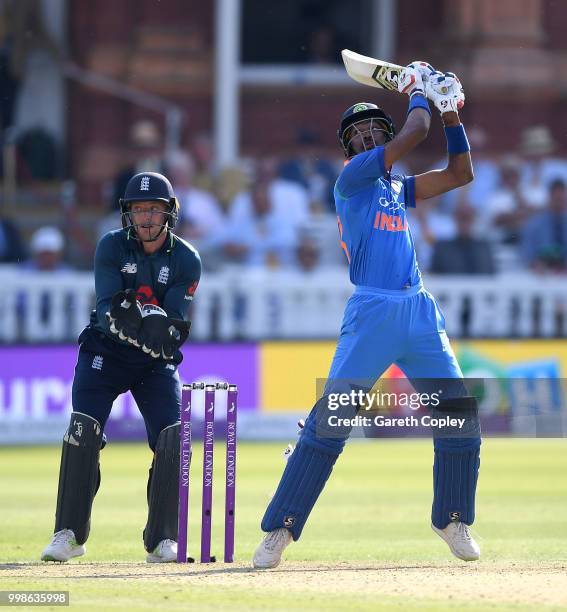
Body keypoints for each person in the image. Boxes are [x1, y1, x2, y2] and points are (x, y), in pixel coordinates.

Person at [253, 62, 481, 568]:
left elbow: (462, 173)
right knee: (334, 423)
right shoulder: (352, 180)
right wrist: (416, 89)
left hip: (418, 309)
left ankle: (452, 518)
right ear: (349, 147)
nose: (371, 135)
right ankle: (280, 529)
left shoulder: (399, 189)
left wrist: (449, 115)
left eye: (377, 127)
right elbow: (414, 131)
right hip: (373, 309)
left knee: (460, 418)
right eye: (360, 133)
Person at [41, 172, 201, 563]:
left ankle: (163, 538)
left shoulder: (186, 259)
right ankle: (69, 534)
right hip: (104, 353)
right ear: (127, 213)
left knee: (174, 436)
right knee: (83, 430)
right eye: (138, 209)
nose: (146, 217)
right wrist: (125, 320)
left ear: (169, 213)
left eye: (155, 209)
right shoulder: (111, 247)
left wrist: (158, 329)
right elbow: (105, 305)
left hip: (152, 363)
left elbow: (176, 319)